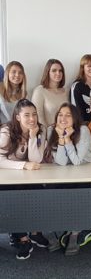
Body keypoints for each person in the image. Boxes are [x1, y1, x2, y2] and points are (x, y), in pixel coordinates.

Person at [44, 103, 91, 255]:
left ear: (75, 118)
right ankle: (50, 230)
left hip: (84, 171)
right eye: (60, 114)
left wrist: (67, 140)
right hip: (63, 172)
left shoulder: (83, 130)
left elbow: (77, 161)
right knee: (50, 191)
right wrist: (61, 138)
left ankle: (74, 233)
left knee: (79, 194)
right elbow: (60, 162)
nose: (63, 118)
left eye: (68, 115)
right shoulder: (50, 130)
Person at [0, 99, 48, 259]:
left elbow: (37, 159)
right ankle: (21, 237)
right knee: (13, 196)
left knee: (39, 192)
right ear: (18, 116)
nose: (32, 119)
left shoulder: (40, 129)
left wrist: (33, 137)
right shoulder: (7, 131)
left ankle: (35, 232)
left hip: (28, 176)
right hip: (7, 177)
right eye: (26, 115)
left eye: (34, 114)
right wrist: (23, 165)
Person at [31, 59, 69, 129]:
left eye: (60, 71)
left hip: (66, 132)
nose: (58, 73)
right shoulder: (39, 91)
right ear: (47, 72)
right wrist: (48, 133)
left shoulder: (66, 90)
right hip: (48, 133)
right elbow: (39, 117)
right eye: (54, 70)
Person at [70, 54, 91, 122]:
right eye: (89, 66)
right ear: (83, 68)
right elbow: (75, 111)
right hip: (83, 127)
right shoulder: (77, 86)